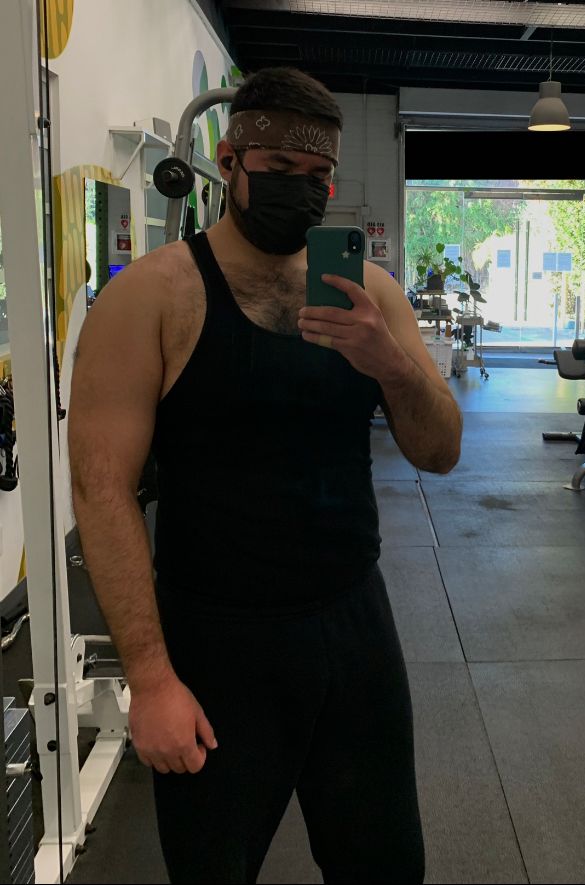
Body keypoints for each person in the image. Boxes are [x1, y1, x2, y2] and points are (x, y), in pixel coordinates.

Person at [68, 67, 462, 885]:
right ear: (229, 158)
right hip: (217, 642)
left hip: (354, 625)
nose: (305, 194)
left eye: (319, 180)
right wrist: (150, 680)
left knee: (388, 864)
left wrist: (391, 363)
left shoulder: (372, 297)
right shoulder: (151, 298)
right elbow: (101, 491)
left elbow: (439, 450)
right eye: (282, 175)